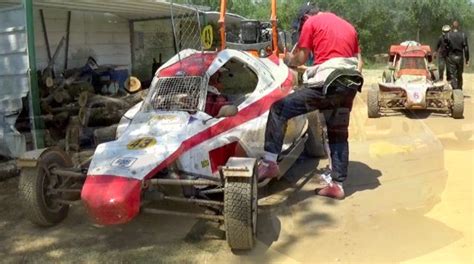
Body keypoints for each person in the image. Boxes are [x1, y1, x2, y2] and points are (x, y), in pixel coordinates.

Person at [257, 3, 363, 200]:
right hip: (350, 83)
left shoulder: (311, 22)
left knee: (279, 109)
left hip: (328, 83)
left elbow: (301, 57)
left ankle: (270, 162)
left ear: (305, 17)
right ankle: (337, 185)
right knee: (338, 133)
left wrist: (286, 59)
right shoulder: (348, 26)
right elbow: (359, 61)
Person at [445, 20, 469, 89]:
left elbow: (446, 47)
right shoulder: (463, 35)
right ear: (459, 27)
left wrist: (446, 56)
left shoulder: (448, 35)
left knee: (453, 75)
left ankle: (455, 90)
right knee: (459, 74)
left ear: (452, 27)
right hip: (460, 57)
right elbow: (466, 48)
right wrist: (467, 59)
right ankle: (460, 89)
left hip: (451, 57)